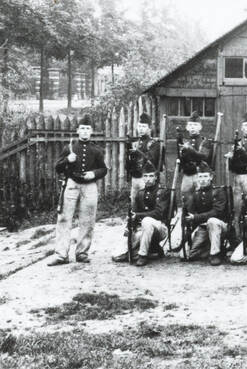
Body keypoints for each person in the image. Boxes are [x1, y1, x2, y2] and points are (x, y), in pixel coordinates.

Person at [48, 114, 108, 266]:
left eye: (88, 129)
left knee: (87, 220)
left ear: (91, 131)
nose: (85, 131)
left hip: (89, 187)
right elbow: (57, 167)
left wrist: (93, 174)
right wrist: (68, 159)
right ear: (77, 130)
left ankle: (82, 253)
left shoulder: (97, 150)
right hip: (71, 184)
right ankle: (61, 254)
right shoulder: (69, 148)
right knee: (64, 219)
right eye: (82, 128)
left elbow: (104, 169)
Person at [112, 160, 170, 266]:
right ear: (142, 178)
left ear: (156, 177)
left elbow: (158, 213)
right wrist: (129, 227)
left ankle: (143, 255)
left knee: (147, 221)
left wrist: (138, 216)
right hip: (143, 229)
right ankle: (153, 250)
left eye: (151, 176)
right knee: (117, 255)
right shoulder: (140, 193)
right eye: (146, 176)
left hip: (160, 228)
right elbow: (134, 213)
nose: (148, 179)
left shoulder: (162, 192)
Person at [183, 161, 228, 266]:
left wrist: (196, 217)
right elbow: (191, 214)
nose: (202, 180)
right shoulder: (196, 193)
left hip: (219, 227)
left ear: (211, 177)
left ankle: (215, 254)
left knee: (212, 221)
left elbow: (217, 212)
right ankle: (211, 247)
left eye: (205, 176)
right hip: (203, 228)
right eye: (200, 177)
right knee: (189, 255)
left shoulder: (218, 191)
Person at [126, 112, 162, 207]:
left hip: (146, 179)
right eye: (139, 126)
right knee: (133, 203)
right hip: (135, 179)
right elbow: (129, 161)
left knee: (146, 204)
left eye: (144, 126)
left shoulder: (154, 144)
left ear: (149, 129)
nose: (141, 129)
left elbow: (152, 159)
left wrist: (138, 152)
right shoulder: (135, 142)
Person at [178, 111, 214, 204]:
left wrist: (190, 150)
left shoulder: (205, 142)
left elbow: (204, 157)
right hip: (187, 175)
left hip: (200, 176)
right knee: (185, 200)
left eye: (195, 125)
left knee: (202, 201)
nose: (192, 127)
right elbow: (181, 159)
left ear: (200, 127)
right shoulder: (184, 141)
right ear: (187, 127)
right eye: (190, 125)